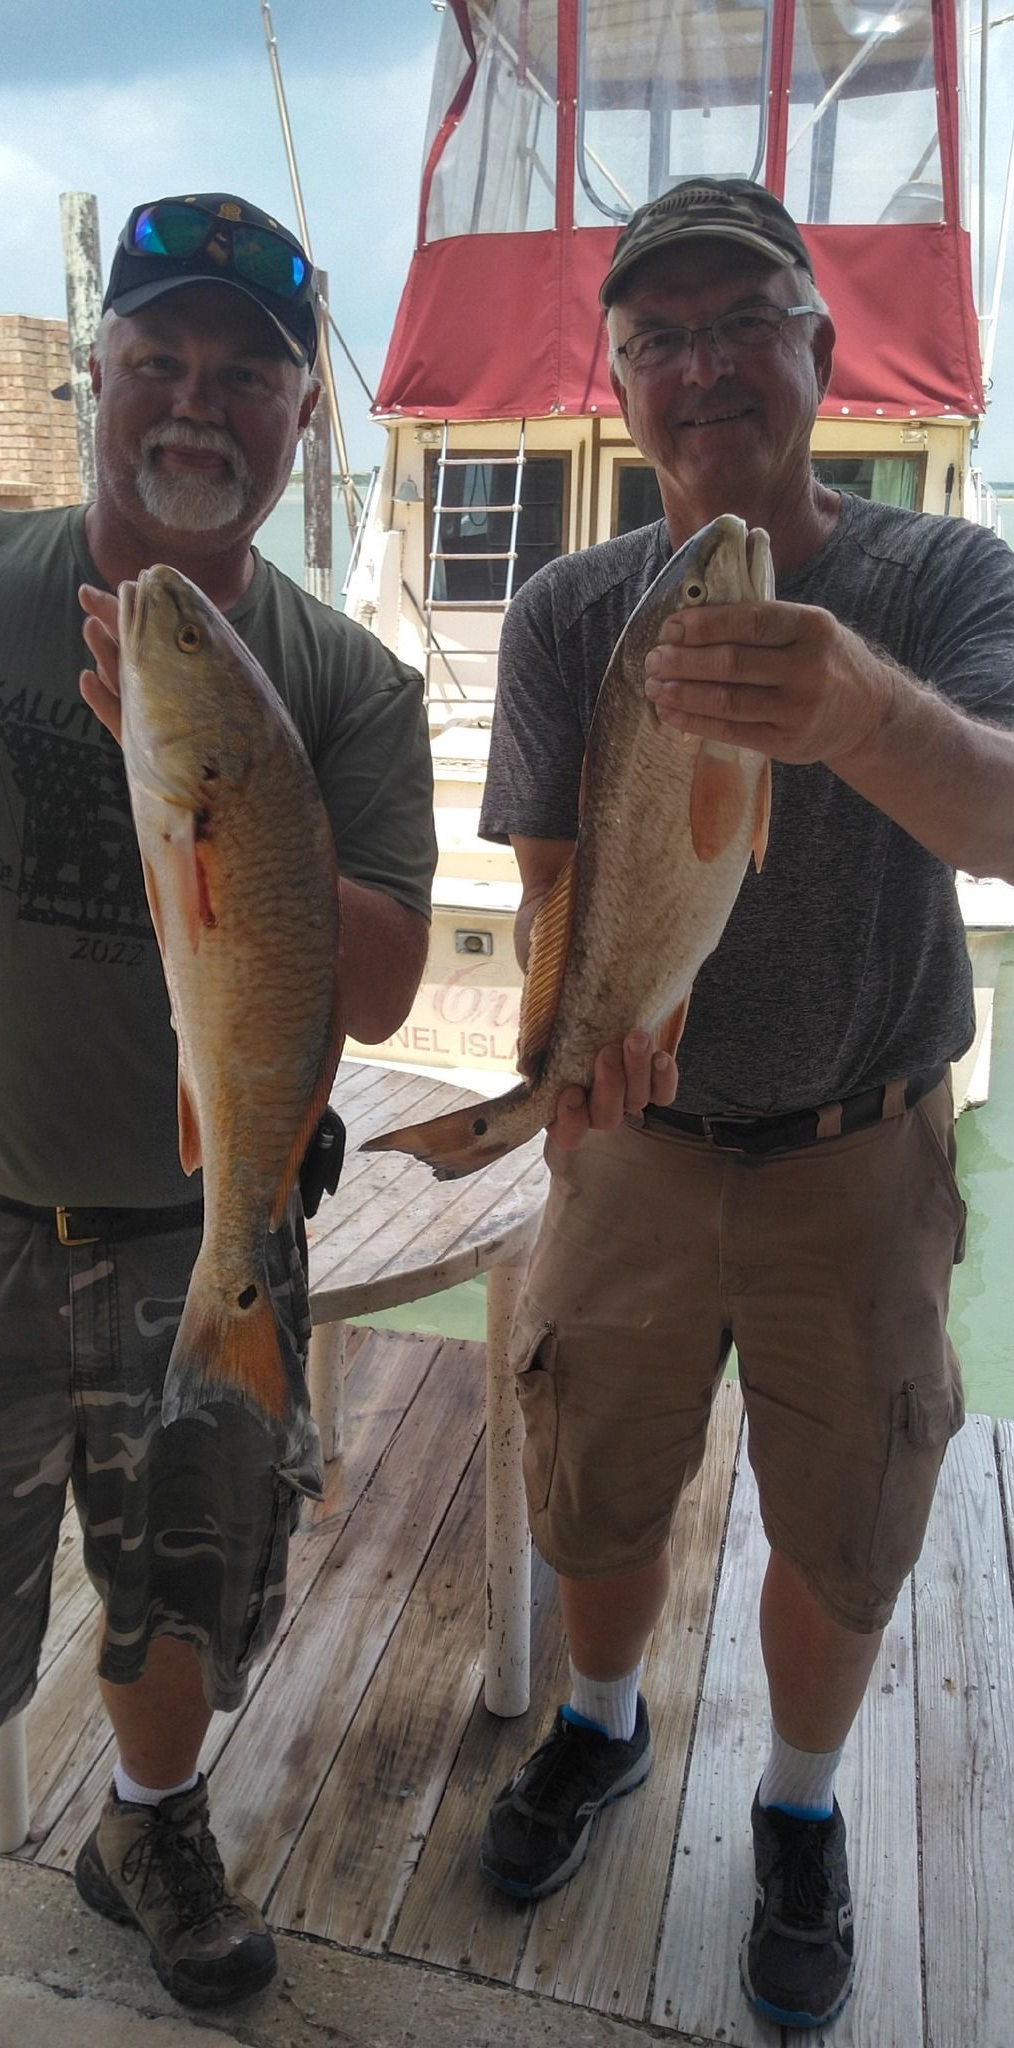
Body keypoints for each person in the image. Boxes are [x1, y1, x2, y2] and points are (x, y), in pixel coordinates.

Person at [0, 192, 436, 2044]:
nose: (198, 407)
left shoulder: (347, 690)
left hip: (213, 1232)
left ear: (302, 420)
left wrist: (220, 780)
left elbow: (382, 987)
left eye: (248, 378)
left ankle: (148, 1831)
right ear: (94, 380)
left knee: (194, 1588)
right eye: (160, 363)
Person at [477, 176, 1014, 2030]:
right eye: (659, 339)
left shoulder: (944, 579)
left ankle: (795, 1804)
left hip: (857, 1156)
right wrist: (565, 1053)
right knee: (595, 1473)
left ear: (821, 348)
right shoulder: (565, 612)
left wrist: (857, 711)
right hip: (628, 1146)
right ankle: (601, 1723)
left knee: (849, 1508)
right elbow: (557, 891)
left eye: (740, 322)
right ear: (621, 382)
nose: (701, 368)